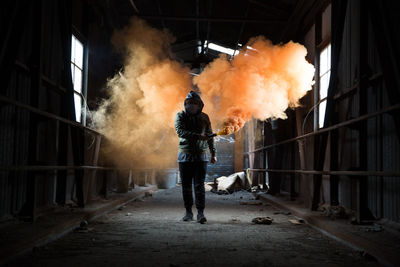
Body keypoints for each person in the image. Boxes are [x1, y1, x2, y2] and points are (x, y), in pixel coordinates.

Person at [174, 90, 217, 224]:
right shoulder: (180, 116)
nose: (191, 106)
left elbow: (210, 136)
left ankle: (200, 213)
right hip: (185, 156)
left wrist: (213, 153)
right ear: (185, 104)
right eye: (189, 103)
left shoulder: (204, 117)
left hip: (201, 157)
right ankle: (188, 212)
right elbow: (180, 131)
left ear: (200, 105)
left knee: (199, 186)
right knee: (186, 186)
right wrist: (198, 136)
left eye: (194, 103)